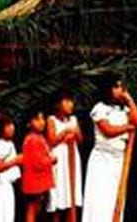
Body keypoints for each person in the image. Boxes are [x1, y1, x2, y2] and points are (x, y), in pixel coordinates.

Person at [81, 73, 137, 222]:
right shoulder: (99, 108)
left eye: (121, 86)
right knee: (99, 199)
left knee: (116, 197)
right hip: (102, 159)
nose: (120, 90)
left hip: (119, 159)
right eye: (116, 87)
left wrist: (129, 99)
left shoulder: (124, 109)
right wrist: (128, 127)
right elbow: (108, 131)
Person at [47, 90, 84, 221]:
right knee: (58, 195)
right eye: (67, 101)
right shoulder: (51, 120)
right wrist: (66, 131)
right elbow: (51, 140)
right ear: (58, 104)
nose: (70, 104)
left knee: (71, 194)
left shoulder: (73, 119)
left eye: (71, 101)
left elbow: (80, 139)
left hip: (73, 157)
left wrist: (74, 132)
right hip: (59, 158)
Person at [22, 108, 56, 222]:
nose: (41, 122)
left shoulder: (38, 137)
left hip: (39, 180)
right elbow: (38, 162)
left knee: (37, 207)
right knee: (32, 207)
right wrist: (51, 160)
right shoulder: (32, 139)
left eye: (42, 119)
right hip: (35, 180)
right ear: (29, 123)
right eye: (37, 119)